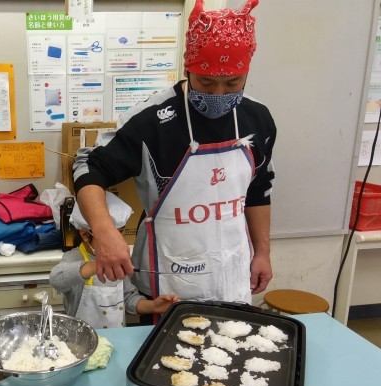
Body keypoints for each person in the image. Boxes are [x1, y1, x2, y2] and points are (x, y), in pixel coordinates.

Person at [73, 0, 274, 322]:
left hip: (231, 272)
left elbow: (258, 190)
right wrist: (104, 230)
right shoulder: (152, 120)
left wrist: (262, 252)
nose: (219, 94)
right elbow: (89, 168)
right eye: (206, 82)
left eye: (233, 83)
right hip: (167, 281)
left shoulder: (258, 118)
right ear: (187, 68)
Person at [50, 192, 178, 328]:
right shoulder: (75, 257)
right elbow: (56, 279)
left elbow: (128, 299)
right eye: (109, 236)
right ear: (85, 235)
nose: (117, 241)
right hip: (81, 337)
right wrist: (97, 266)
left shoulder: (118, 259)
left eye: (120, 233)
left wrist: (153, 306)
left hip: (115, 336)